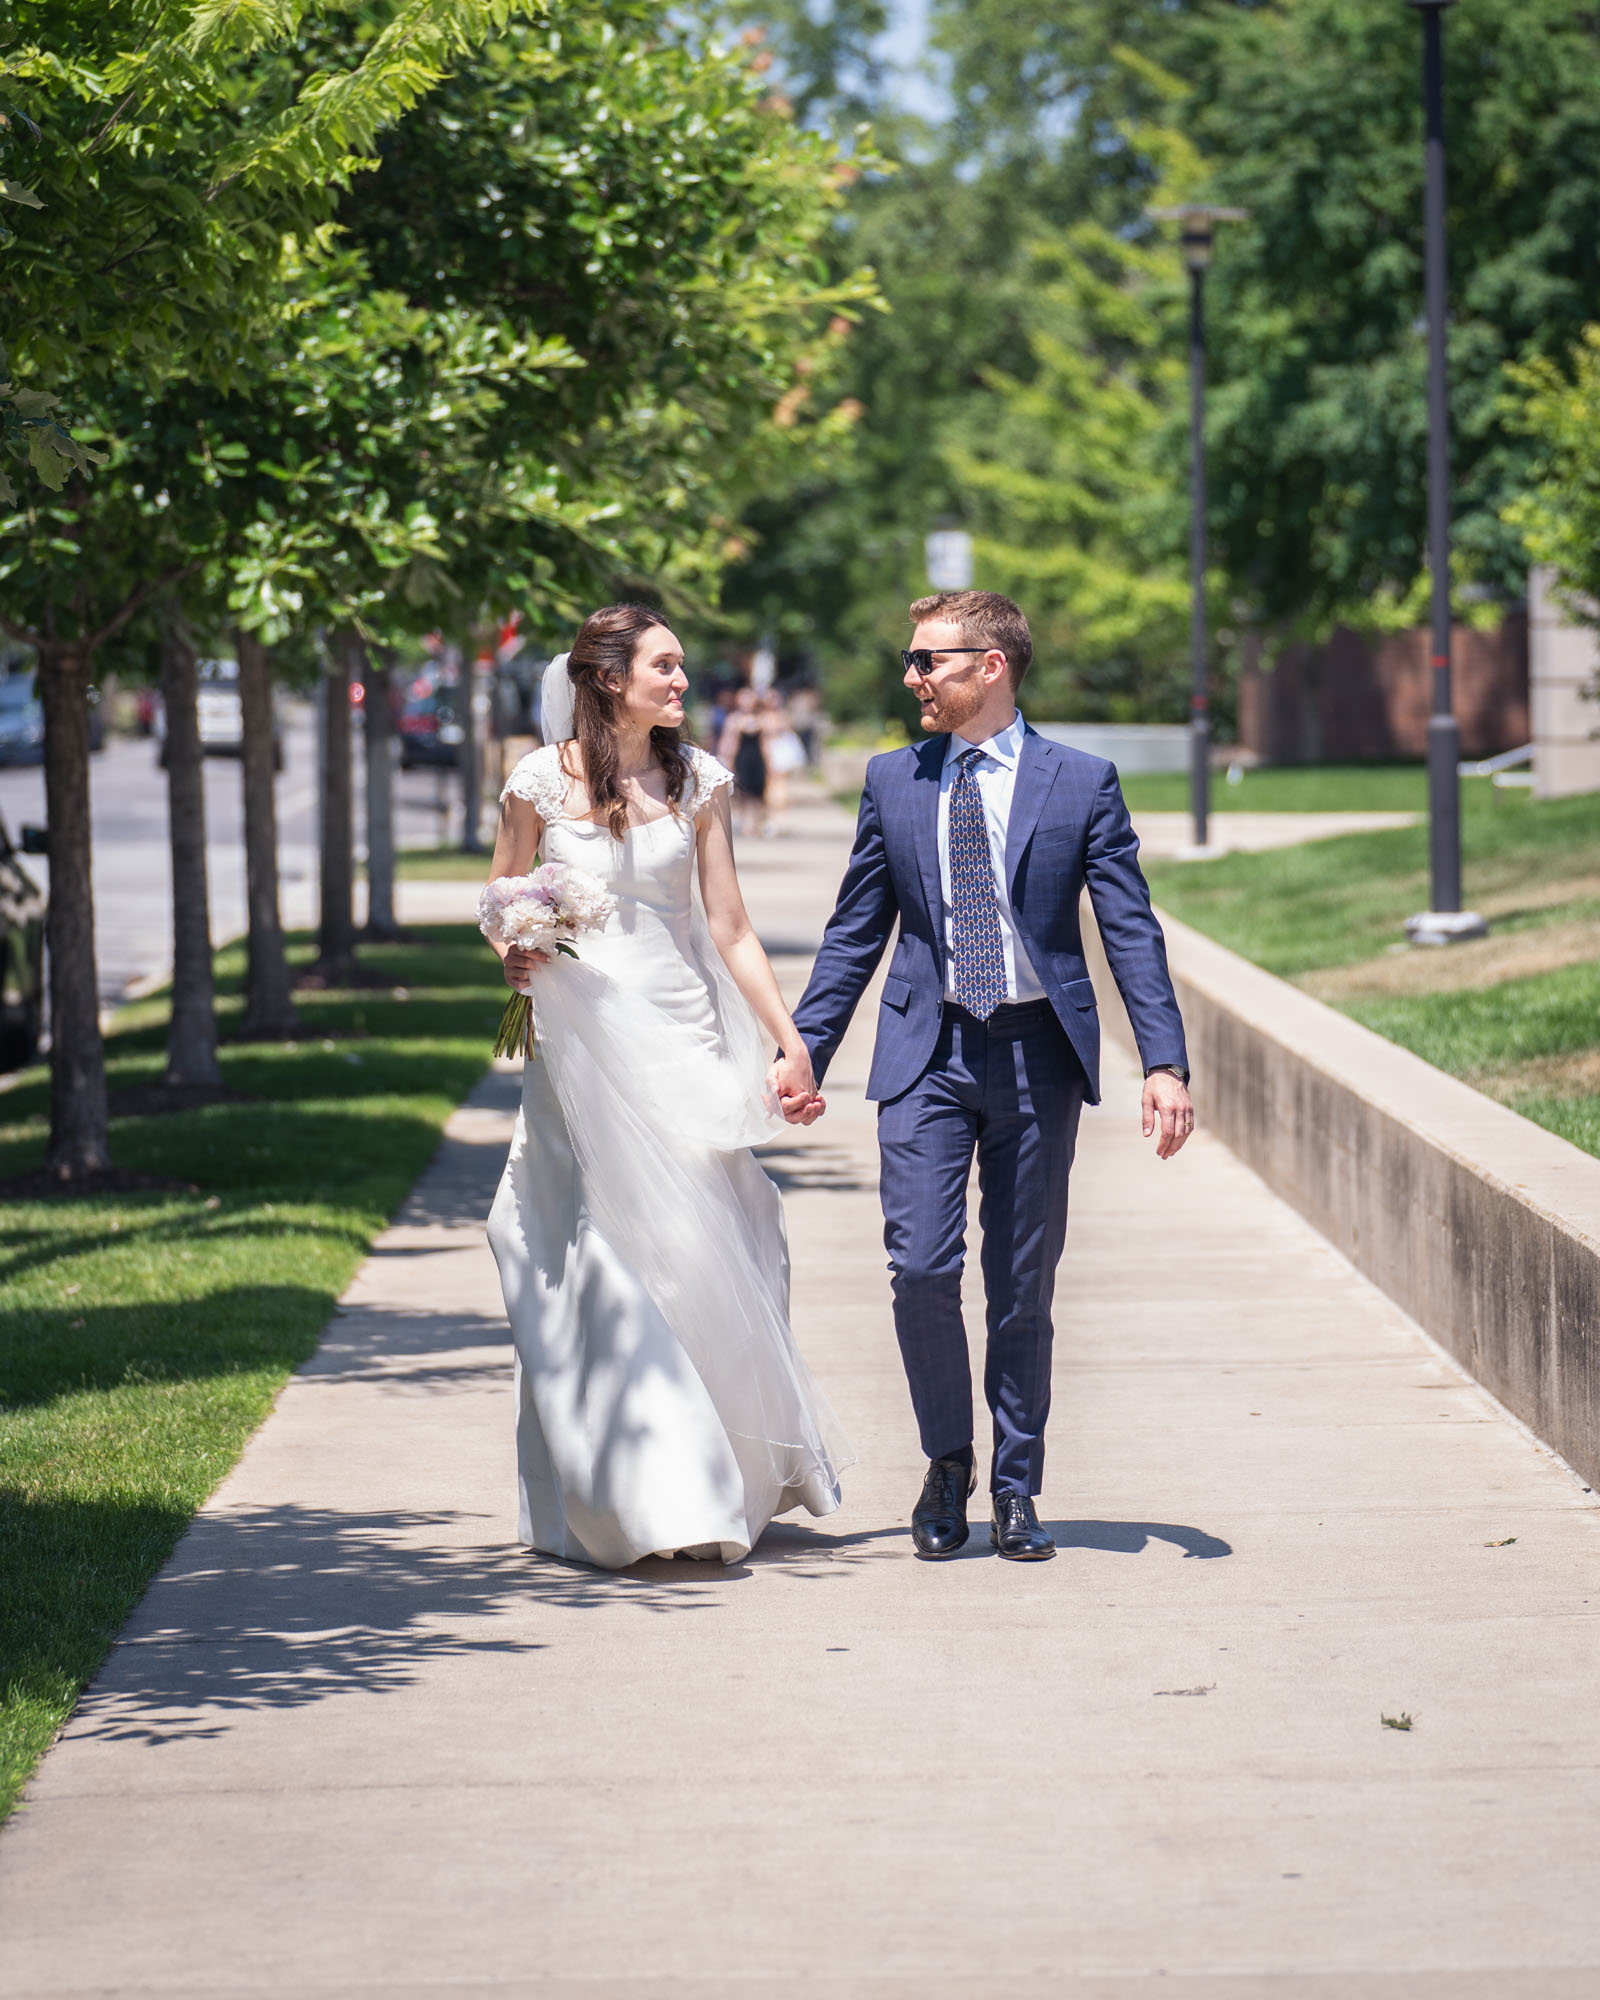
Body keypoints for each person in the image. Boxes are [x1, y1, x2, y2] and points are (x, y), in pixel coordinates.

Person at [786, 590, 1192, 1563]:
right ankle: (947, 1459)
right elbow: (854, 932)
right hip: (924, 1052)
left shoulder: (1079, 782)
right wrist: (805, 1048)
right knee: (921, 1266)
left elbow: (1127, 927)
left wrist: (1163, 1059)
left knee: (1020, 1285)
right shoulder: (893, 780)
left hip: (1033, 1055)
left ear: (991, 665)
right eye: (911, 660)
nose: (911, 677)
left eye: (928, 660)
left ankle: (1016, 1482)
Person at [484, 605, 850, 1568]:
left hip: (681, 1032)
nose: (683, 683)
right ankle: (643, 1496)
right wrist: (518, 952)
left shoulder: (699, 781)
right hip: (580, 1039)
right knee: (604, 1255)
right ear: (608, 678)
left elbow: (728, 926)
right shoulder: (534, 782)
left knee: (701, 1249)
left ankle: (719, 1477)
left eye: (682, 668)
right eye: (666, 667)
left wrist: (789, 1042)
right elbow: (501, 898)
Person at [718, 684, 770, 838]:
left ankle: (758, 822)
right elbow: (729, 742)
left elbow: (765, 742)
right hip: (742, 758)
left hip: (757, 758)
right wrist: (728, 762)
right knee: (743, 792)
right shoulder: (733, 719)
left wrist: (769, 762)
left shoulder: (762, 718)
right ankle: (747, 823)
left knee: (759, 793)